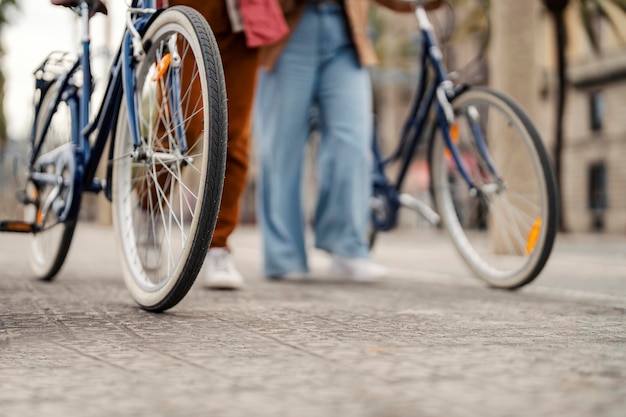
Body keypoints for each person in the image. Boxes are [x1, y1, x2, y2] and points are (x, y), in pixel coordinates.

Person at [253, 0, 442, 281]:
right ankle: (284, 256)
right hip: (287, 32)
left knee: (353, 142)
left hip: (346, 33)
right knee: (282, 149)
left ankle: (348, 248)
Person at [166, 0, 287, 289]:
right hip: (187, 10)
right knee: (180, 127)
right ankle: (147, 205)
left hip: (244, 16)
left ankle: (217, 246)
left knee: (235, 136)